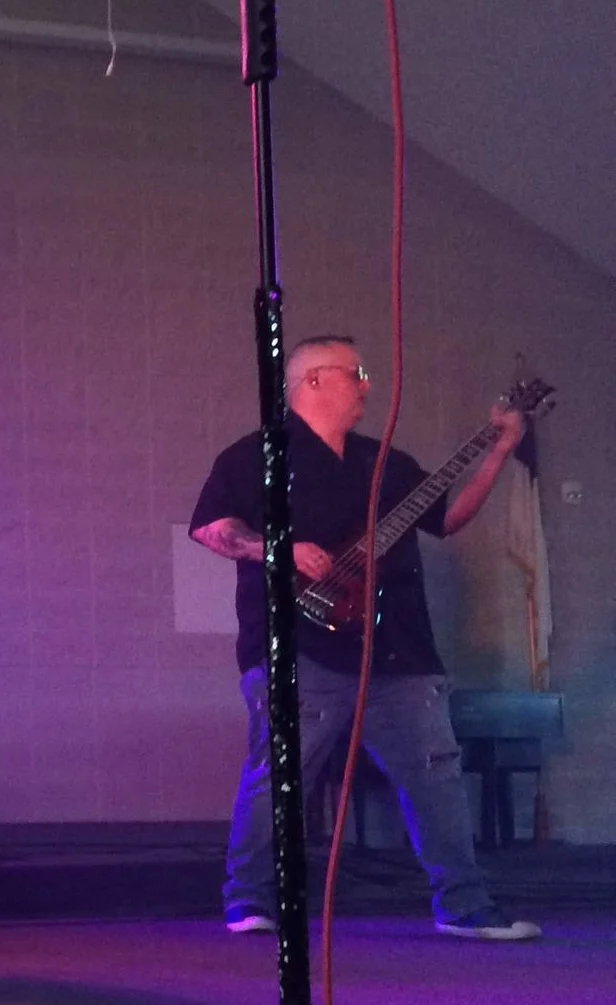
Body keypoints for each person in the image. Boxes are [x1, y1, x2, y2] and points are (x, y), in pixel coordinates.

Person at [189, 333, 540, 941]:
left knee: (436, 775)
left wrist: (500, 450)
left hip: (398, 648)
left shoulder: (386, 462)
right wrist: (278, 548)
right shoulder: (254, 456)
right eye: (355, 373)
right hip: (298, 647)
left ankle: (464, 904)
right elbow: (212, 529)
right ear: (312, 381)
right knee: (279, 776)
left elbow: (448, 518)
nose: (367, 386)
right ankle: (250, 898)